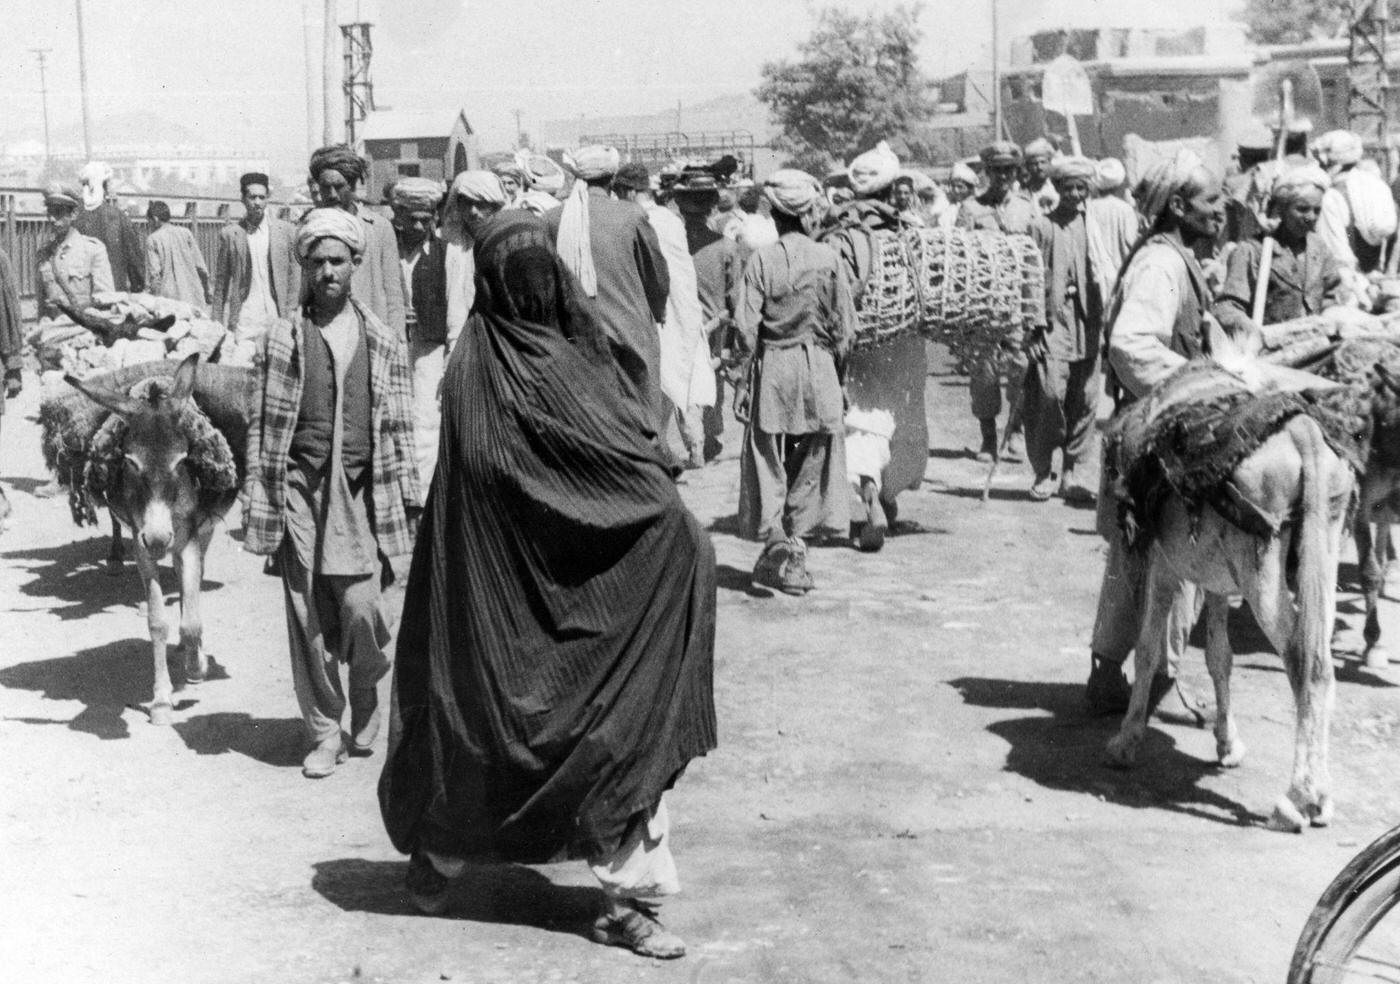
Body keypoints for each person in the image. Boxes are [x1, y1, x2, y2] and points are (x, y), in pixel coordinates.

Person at [377, 208, 716, 961]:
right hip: (501, 599)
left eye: (540, 266)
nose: (531, 284)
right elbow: (491, 476)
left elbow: (631, 457)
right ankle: (438, 861)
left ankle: (624, 903)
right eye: (514, 271)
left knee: (617, 734)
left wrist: (663, 524)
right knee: (484, 738)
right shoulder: (476, 369)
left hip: (591, 594)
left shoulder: (582, 352)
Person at [242, 207, 420, 779]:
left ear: (355, 265)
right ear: (304, 268)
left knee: (361, 605)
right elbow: (259, 425)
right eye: (316, 261)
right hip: (298, 487)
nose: (326, 272)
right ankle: (323, 730)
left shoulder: (385, 342)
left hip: (362, 492)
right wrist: (257, 495)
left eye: (337, 261)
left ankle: (366, 683)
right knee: (306, 612)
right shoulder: (280, 339)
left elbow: (400, 431)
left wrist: (408, 500)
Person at [1085, 149, 1226, 724]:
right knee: (1148, 558)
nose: (1221, 211)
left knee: (1158, 563)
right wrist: (1202, 380)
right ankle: (1126, 678)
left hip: (1170, 433)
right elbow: (1131, 346)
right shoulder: (1162, 265)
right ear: (1177, 206)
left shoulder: (1180, 259)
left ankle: (1148, 677)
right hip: (1154, 440)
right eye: (1211, 201)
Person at [736, 169, 856, 593]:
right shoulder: (829, 259)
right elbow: (845, 331)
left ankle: (774, 539)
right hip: (819, 366)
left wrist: (740, 382)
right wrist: (839, 380)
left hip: (772, 367)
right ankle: (797, 557)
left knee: (766, 455)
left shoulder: (761, 260)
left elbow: (746, 331)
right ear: (807, 214)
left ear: (774, 215)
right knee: (813, 458)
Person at [820, 140, 928, 547]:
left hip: (859, 345)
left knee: (862, 422)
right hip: (904, 347)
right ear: (889, 191)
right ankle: (885, 493)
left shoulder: (834, 234)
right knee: (901, 421)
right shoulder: (911, 232)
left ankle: (871, 497)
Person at [1024, 157, 1133, 503]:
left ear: (1089, 190)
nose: (1074, 193)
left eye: (1080, 187)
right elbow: (1028, 277)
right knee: (1049, 393)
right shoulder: (1041, 226)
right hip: (1052, 322)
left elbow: (1108, 267)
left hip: (1089, 322)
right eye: (1067, 187)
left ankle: (1070, 472)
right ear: (1055, 189)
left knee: (1084, 398)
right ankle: (1043, 470)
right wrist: (1033, 326)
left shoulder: (1094, 224)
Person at [548, 145, 670, 417]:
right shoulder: (631, 215)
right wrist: (658, 309)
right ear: (612, 179)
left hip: (575, 336)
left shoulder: (553, 219)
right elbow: (657, 278)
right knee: (643, 417)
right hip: (629, 336)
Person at [614, 162, 712, 471]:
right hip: (682, 310)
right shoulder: (671, 220)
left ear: (629, 192)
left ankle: (657, 452)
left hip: (657, 312)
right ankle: (683, 448)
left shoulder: (636, 220)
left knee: (657, 385)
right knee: (679, 379)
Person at [958, 142, 1037, 462]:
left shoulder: (1027, 206)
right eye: (996, 170)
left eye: (1009, 170)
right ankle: (988, 439)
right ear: (986, 172)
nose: (1003, 176)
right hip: (983, 302)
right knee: (984, 373)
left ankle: (1014, 431)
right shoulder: (971, 209)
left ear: (1017, 172)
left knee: (1021, 368)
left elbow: (1035, 256)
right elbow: (959, 259)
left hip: (1018, 302)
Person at [1213, 165, 1345, 336]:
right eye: (1302, 209)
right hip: (1270, 347)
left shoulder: (1319, 249)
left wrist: (1330, 318)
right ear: (1282, 208)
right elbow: (1226, 308)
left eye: (1316, 210)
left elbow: (1332, 295)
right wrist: (1255, 332)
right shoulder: (1252, 251)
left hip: (1315, 343)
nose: (1311, 217)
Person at [674, 171, 741, 463]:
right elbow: (735, 296)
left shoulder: (672, 245)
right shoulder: (726, 247)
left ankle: (694, 442)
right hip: (716, 327)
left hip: (681, 324)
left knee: (683, 384)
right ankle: (712, 435)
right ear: (712, 207)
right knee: (713, 383)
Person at [307, 145, 407, 340]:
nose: (332, 194)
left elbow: (393, 291)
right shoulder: (310, 228)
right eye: (325, 187)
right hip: (324, 331)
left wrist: (398, 336)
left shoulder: (379, 228)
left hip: (371, 331)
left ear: (352, 186)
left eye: (339, 186)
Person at [390, 177, 451, 487]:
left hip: (429, 349)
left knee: (426, 421)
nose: (417, 227)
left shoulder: (444, 252)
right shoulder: (387, 249)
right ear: (399, 216)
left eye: (424, 220)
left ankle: (423, 493)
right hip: (395, 346)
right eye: (410, 219)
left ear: (434, 218)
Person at [211, 172, 301, 361]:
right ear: (243, 199)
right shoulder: (231, 234)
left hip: (277, 318)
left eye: (262, 197)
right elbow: (221, 283)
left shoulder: (286, 232)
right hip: (246, 319)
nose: (257, 202)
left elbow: (295, 276)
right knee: (241, 366)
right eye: (252, 197)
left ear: (268, 198)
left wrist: (292, 312)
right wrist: (216, 322)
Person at [1314, 129, 1394, 282]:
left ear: (1328, 162)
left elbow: (1336, 253)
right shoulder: (1379, 186)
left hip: (1348, 283)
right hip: (1379, 278)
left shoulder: (1330, 197)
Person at [75, 161, 144, 293]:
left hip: (80, 297)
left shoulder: (73, 218)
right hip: (113, 294)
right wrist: (137, 288)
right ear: (104, 186)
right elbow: (134, 259)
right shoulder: (119, 217)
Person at [143, 201, 210, 312]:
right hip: (193, 295)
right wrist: (206, 291)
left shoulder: (153, 239)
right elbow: (201, 266)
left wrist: (155, 302)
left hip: (170, 301)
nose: (148, 225)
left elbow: (155, 276)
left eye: (148, 221)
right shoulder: (186, 233)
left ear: (155, 219)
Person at [1022, 138, 1060, 215]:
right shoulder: (1023, 190)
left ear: (1050, 163)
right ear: (1028, 167)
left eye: (1043, 162)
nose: (1039, 167)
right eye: (1034, 164)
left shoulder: (1058, 187)